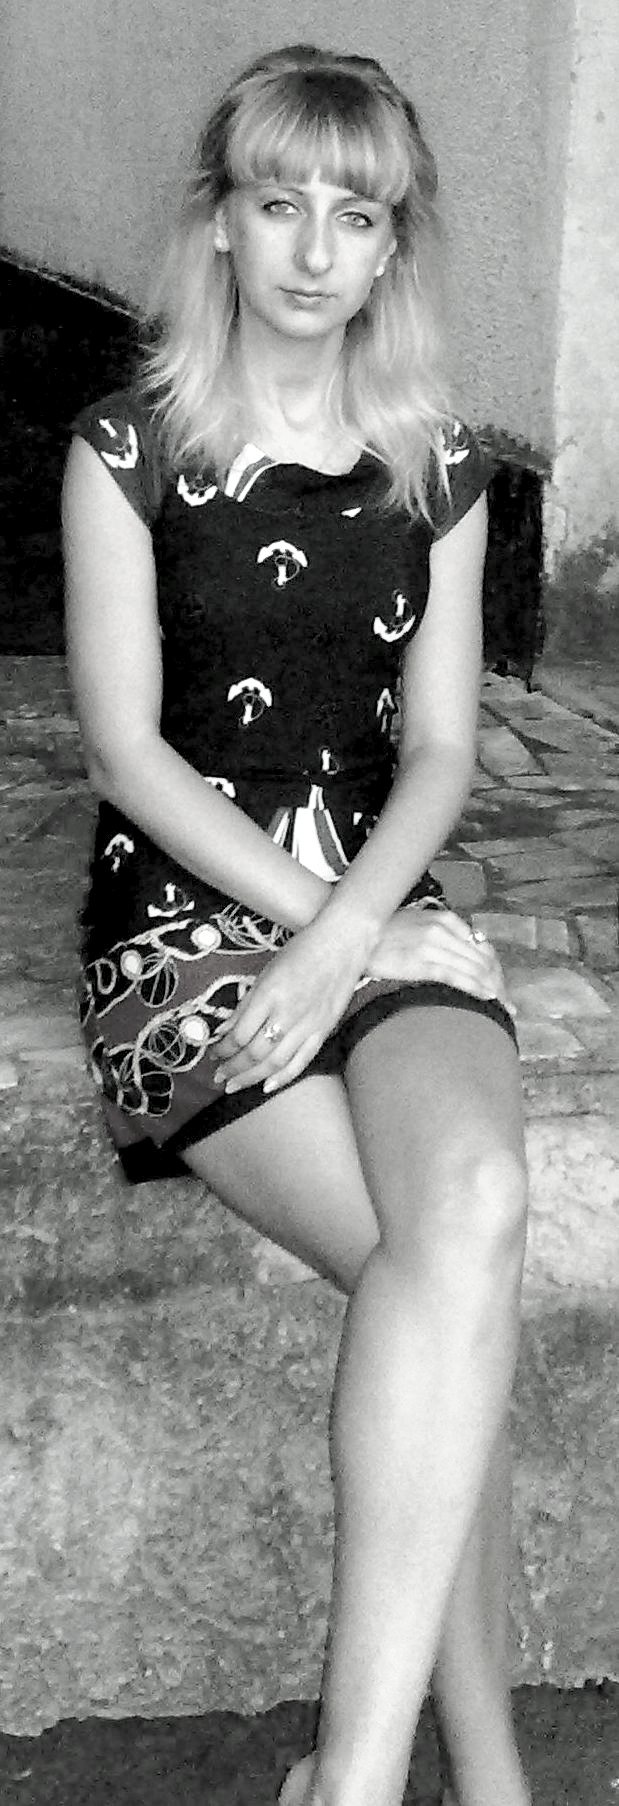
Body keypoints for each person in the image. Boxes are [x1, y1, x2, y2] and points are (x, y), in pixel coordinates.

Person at [62, 42, 531, 1806]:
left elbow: (443, 749)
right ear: (222, 222)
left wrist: (357, 934)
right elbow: (126, 752)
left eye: (358, 214)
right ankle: (475, 1782)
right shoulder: (129, 451)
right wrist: (329, 933)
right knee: (453, 1303)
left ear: (397, 241)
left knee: (468, 1214)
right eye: (281, 205)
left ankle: (356, 1784)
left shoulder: (440, 465)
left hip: (383, 909)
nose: (318, 251)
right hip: (178, 938)